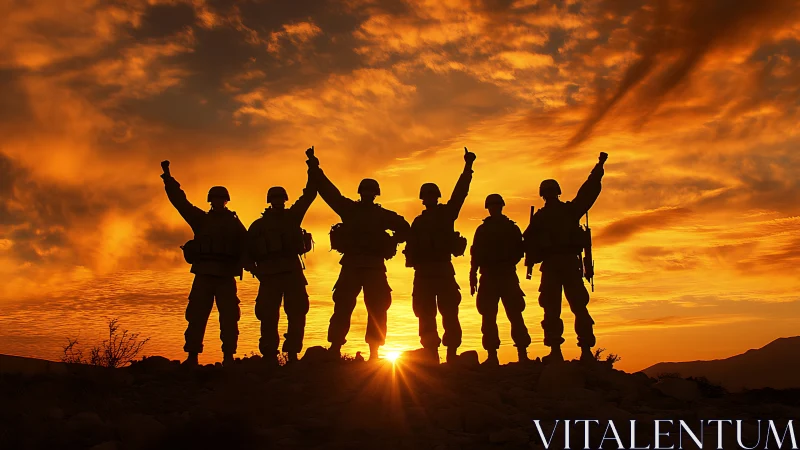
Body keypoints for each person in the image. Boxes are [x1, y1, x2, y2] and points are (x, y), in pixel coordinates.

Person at [306, 148, 410, 361]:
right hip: (354, 266)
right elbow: (329, 192)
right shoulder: (354, 210)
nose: (368, 195)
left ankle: (369, 351)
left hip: (369, 267)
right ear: (364, 193)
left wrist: (392, 241)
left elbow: (405, 228)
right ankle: (338, 348)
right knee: (345, 306)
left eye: (370, 192)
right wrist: (315, 168)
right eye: (367, 192)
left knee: (376, 308)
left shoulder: (373, 213)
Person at [160, 160, 249, 367]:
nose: (219, 202)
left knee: (229, 318)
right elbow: (180, 202)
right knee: (196, 317)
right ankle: (192, 355)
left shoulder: (234, 222)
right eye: (215, 199)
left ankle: (228, 356)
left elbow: (247, 245)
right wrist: (168, 178)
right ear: (211, 201)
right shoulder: (201, 219)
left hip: (226, 277)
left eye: (222, 199)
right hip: (204, 275)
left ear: (226, 201)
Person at [524, 152, 607, 364]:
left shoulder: (542, 217)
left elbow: (525, 242)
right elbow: (587, 193)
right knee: (575, 307)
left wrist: (597, 171)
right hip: (565, 264)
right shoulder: (568, 211)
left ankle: (557, 351)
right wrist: (597, 171)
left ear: (543, 194)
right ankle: (585, 350)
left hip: (555, 265)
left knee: (556, 309)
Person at [404, 148, 476, 364]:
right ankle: (431, 354)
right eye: (427, 196)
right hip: (424, 273)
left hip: (443, 271)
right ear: (422, 199)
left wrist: (468, 168)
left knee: (449, 314)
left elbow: (460, 193)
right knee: (425, 315)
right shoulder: (417, 222)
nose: (430, 198)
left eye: (432, 195)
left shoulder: (446, 214)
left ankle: (451, 353)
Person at [247, 162, 317, 365]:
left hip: (293, 274)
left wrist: (312, 167)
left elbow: (309, 194)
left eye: (281, 198)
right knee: (268, 316)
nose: (278, 202)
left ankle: (293, 352)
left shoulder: (293, 217)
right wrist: (257, 271)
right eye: (275, 198)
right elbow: (247, 253)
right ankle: (269, 354)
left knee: (297, 313)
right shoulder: (258, 226)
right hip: (269, 277)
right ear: (270, 201)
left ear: (285, 200)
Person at [469, 194, 531, 365]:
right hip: (490, 276)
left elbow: (519, 251)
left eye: (495, 206)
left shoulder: (510, 228)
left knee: (514, 314)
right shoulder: (484, 230)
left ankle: (522, 353)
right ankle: (492, 355)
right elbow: (475, 254)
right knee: (489, 316)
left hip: (505, 275)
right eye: (492, 206)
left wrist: (505, 262)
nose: (494, 209)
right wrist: (473, 275)